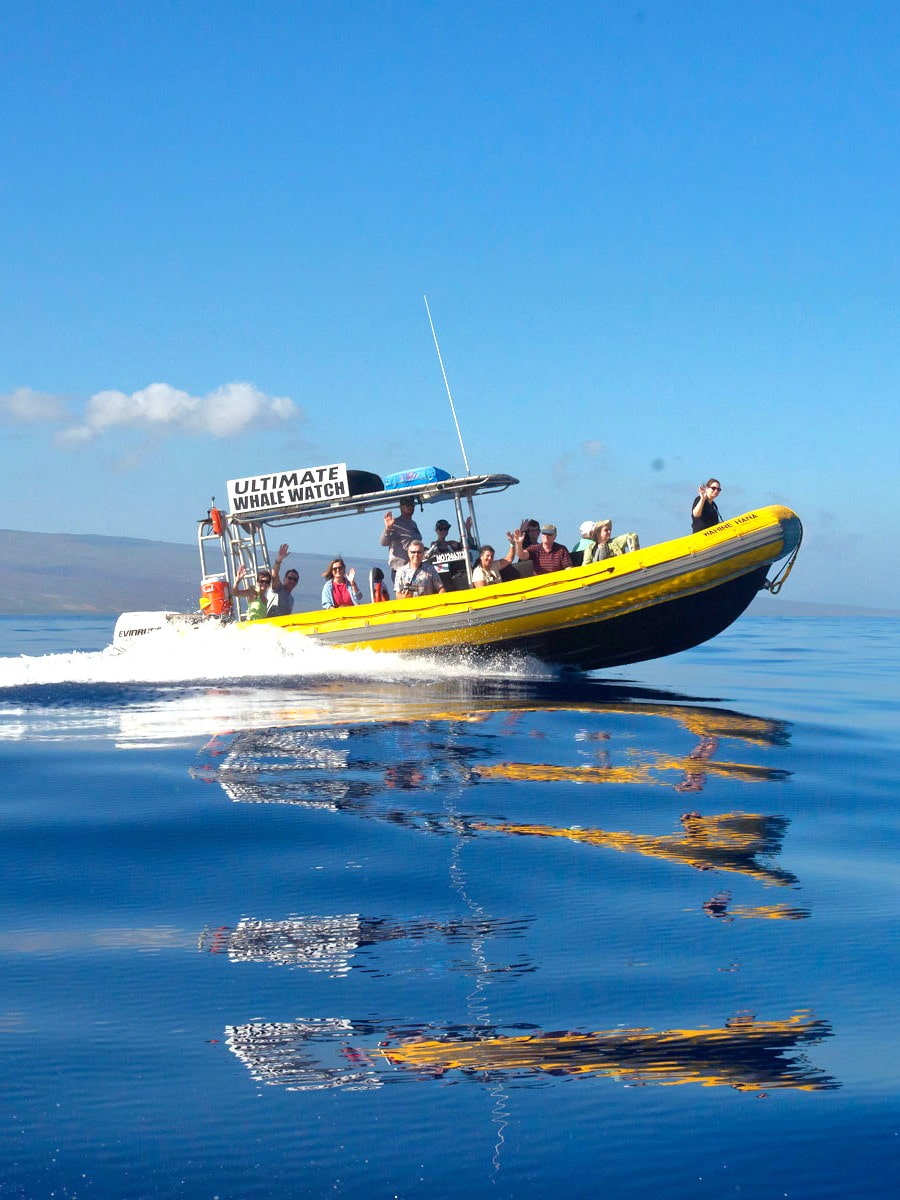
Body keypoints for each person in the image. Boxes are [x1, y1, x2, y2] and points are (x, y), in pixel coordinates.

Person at [380, 497, 422, 579]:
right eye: (407, 505)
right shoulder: (395, 523)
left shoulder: (413, 524)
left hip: (415, 569)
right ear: (401, 507)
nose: (410, 507)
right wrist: (388, 528)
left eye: (412, 505)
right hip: (400, 570)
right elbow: (383, 542)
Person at [425, 516, 475, 584]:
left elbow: (467, 545)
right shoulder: (434, 545)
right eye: (441, 529)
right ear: (437, 530)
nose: (443, 531)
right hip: (442, 575)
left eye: (446, 529)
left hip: (455, 573)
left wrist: (468, 531)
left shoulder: (452, 543)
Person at [267, 543, 299, 615]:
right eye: (290, 578)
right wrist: (278, 560)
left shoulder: (291, 599)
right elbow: (274, 576)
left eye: (295, 579)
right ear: (284, 579)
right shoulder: (278, 589)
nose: (292, 581)